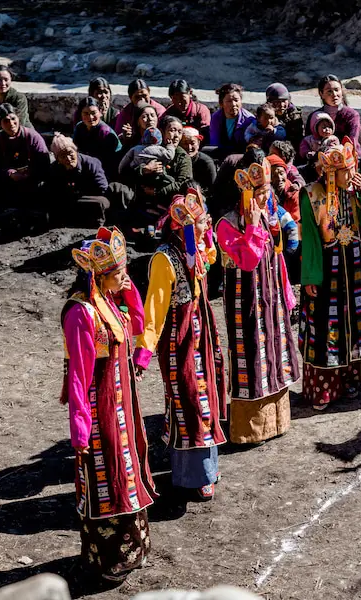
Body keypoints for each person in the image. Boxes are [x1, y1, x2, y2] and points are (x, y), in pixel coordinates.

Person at [61, 226, 157, 582]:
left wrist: (129, 292)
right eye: (120, 273)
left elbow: (136, 327)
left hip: (121, 409)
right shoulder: (81, 314)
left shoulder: (109, 303)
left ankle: (130, 553)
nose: (125, 277)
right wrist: (80, 433)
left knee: (126, 475)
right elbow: (78, 378)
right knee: (107, 480)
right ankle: (106, 563)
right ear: (99, 276)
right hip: (100, 416)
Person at [134, 191, 227, 501]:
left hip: (202, 332)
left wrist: (207, 237)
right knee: (188, 401)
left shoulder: (195, 249)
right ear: (183, 227)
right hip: (181, 340)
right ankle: (193, 475)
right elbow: (155, 311)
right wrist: (143, 353)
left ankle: (207, 469)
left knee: (207, 398)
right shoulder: (163, 259)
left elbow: (210, 257)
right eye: (203, 222)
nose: (207, 225)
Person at [216, 149, 301, 440]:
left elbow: (277, 258)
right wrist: (252, 226)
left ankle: (277, 423)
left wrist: (286, 293)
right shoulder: (226, 224)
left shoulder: (266, 213)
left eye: (267, 191)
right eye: (260, 191)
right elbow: (248, 261)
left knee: (275, 352)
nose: (266, 197)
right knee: (252, 355)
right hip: (247, 303)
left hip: (271, 298)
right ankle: (249, 430)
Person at [299, 138, 361, 409]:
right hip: (326, 269)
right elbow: (309, 240)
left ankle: (351, 380)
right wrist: (310, 278)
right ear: (330, 172)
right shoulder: (309, 195)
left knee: (352, 323)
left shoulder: (352, 191)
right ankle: (324, 389)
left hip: (351, 265)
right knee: (325, 326)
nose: (351, 175)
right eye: (346, 171)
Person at [108, 116, 192, 229]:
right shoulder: (147, 149)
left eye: (179, 132)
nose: (176, 135)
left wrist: (157, 192)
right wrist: (143, 170)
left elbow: (181, 182)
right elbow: (124, 173)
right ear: (162, 132)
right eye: (172, 130)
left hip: (168, 199)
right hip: (142, 196)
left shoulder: (182, 156)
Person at [0, 103, 49, 213]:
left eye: (13, 119)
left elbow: (44, 161)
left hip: (32, 176)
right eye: (6, 121)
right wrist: (11, 173)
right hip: (12, 178)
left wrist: (28, 173)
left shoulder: (32, 136)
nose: (11, 124)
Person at [47, 134, 110, 226]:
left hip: (91, 199)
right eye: (63, 156)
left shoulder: (91, 163)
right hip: (70, 200)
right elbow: (54, 191)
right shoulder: (55, 169)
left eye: (70, 153)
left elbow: (103, 188)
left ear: (76, 151)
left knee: (99, 202)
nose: (68, 158)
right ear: (58, 160)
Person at [306, 75, 361, 156]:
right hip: (321, 158)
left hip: (348, 157)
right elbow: (307, 141)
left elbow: (351, 142)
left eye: (337, 90)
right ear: (321, 94)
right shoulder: (314, 116)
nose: (334, 94)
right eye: (329, 91)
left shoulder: (352, 115)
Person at [73, 96, 122, 180]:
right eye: (86, 113)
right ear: (80, 114)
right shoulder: (79, 127)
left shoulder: (106, 133)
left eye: (93, 113)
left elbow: (109, 162)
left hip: (106, 172)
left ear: (100, 112)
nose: (90, 117)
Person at [115, 79, 166, 147]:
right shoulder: (125, 113)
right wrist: (125, 137)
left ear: (149, 93)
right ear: (130, 98)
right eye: (137, 97)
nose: (142, 100)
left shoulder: (160, 111)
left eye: (144, 96)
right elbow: (118, 135)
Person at [209, 83, 255, 158]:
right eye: (229, 101)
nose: (233, 104)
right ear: (221, 103)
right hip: (220, 154)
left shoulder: (249, 119)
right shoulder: (216, 118)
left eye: (236, 100)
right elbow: (214, 143)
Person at [163, 79, 211, 144]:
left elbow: (205, 132)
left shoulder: (201, 110)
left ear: (190, 93)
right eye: (175, 99)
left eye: (182, 98)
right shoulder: (169, 112)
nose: (179, 103)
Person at [265, 82, 304, 152]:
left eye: (284, 101)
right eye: (277, 102)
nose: (281, 105)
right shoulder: (265, 114)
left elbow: (298, 138)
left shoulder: (294, 115)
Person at [180, 127, 216, 197]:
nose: (189, 147)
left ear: (198, 143)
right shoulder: (177, 159)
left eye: (192, 143)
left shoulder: (206, 162)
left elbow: (212, 189)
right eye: (185, 143)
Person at [266, 154, 300, 221]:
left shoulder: (293, 193)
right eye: (274, 175)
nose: (279, 178)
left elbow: (295, 221)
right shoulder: (264, 194)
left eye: (281, 173)